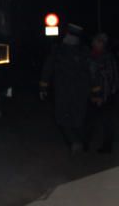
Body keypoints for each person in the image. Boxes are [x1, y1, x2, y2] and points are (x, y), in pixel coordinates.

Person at [40, 23, 93, 153]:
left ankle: (75, 141)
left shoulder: (59, 50)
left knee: (64, 117)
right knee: (77, 117)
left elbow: (48, 69)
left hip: (64, 91)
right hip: (78, 91)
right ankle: (79, 142)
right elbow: (91, 72)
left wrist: (43, 87)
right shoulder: (83, 51)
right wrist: (95, 90)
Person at [86, 33, 118, 152]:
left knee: (106, 122)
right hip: (94, 95)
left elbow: (108, 79)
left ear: (101, 43)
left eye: (96, 41)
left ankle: (107, 147)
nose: (93, 43)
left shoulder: (106, 58)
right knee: (91, 120)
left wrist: (101, 97)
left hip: (105, 96)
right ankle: (86, 143)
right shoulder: (92, 55)